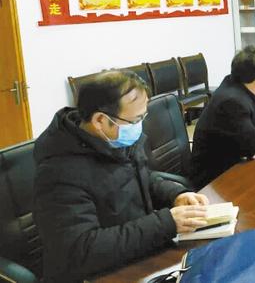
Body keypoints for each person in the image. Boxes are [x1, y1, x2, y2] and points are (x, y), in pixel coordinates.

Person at [34, 70, 210, 283]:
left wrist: (175, 194)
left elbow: (142, 176)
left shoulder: (115, 139)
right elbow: (82, 249)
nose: (140, 127)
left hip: (136, 254)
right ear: (100, 120)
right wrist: (165, 223)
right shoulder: (59, 172)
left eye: (143, 117)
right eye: (136, 120)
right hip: (97, 274)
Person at [191, 46, 255, 188]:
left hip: (235, 161)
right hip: (214, 179)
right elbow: (254, 143)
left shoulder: (246, 86)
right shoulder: (232, 102)